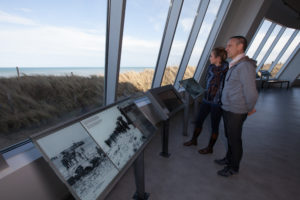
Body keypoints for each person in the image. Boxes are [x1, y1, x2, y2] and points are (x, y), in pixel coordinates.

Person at [215, 36, 258, 177]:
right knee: (229, 136)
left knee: (234, 139)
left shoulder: (245, 66)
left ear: (240, 47)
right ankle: (228, 158)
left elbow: (251, 92)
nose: (226, 48)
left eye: (230, 45)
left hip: (237, 110)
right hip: (228, 108)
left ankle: (233, 167)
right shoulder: (235, 64)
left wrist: (249, 108)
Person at [183, 47, 228, 154]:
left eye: (211, 56)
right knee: (199, 120)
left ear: (218, 58)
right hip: (206, 99)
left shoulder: (228, 70)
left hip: (218, 103)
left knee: (214, 126)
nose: (209, 58)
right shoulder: (211, 67)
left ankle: (210, 148)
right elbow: (208, 82)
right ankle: (194, 140)